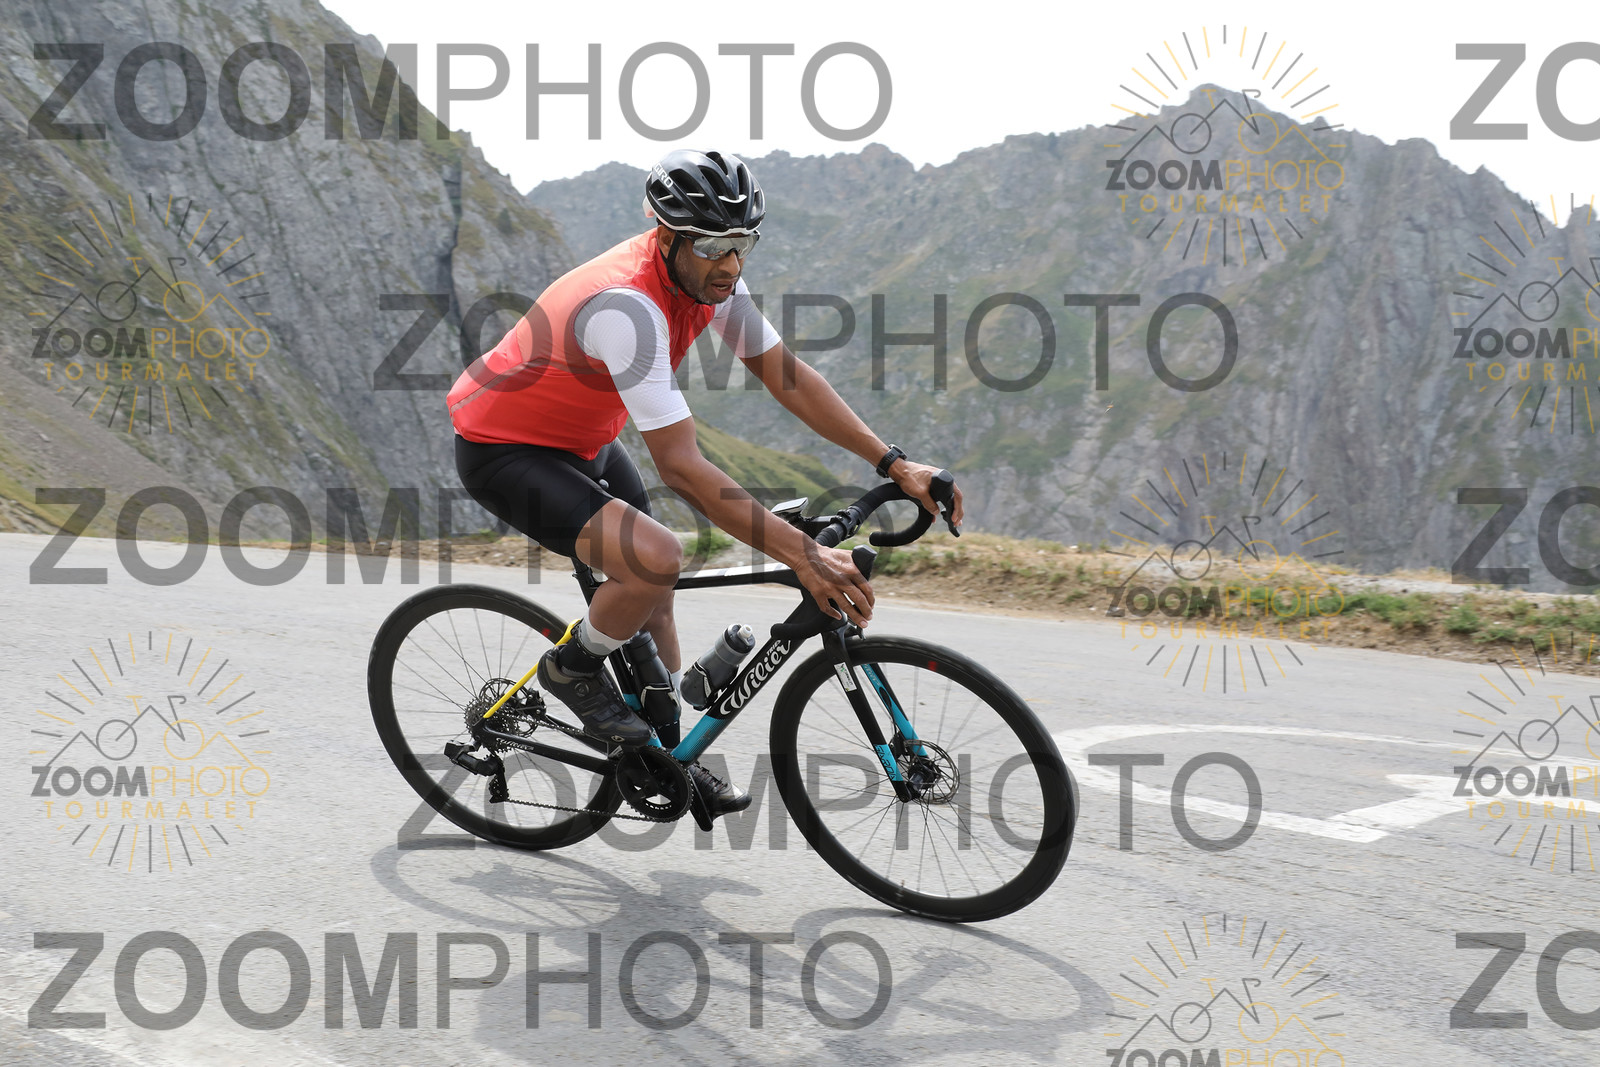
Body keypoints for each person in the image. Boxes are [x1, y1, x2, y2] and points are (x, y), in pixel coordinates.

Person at [447, 149, 963, 815]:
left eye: (743, 243)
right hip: (503, 447)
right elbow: (682, 467)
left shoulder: (708, 279)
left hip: (583, 441)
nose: (731, 263)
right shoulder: (626, 308)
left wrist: (894, 463)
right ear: (666, 237)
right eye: (714, 246)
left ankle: (669, 758)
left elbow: (787, 376)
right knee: (655, 558)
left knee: (656, 601)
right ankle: (570, 669)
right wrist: (803, 555)